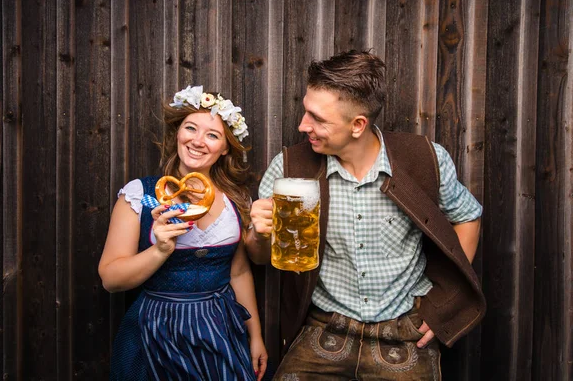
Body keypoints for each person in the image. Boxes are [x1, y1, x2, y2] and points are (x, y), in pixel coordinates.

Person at [246, 50, 485, 380]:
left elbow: (468, 217)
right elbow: (258, 258)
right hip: (324, 328)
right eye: (306, 112)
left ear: (358, 124)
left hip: (405, 331)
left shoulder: (424, 159)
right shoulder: (289, 168)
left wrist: (447, 301)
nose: (303, 126)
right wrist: (258, 234)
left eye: (318, 118)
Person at [99, 85, 267, 380]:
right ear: (178, 132)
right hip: (154, 331)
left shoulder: (236, 200)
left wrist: (255, 335)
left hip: (221, 331)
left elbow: (239, 273)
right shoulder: (141, 195)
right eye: (191, 128)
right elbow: (110, 279)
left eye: (212, 135)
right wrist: (159, 250)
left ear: (225, 147)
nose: (198, 141)